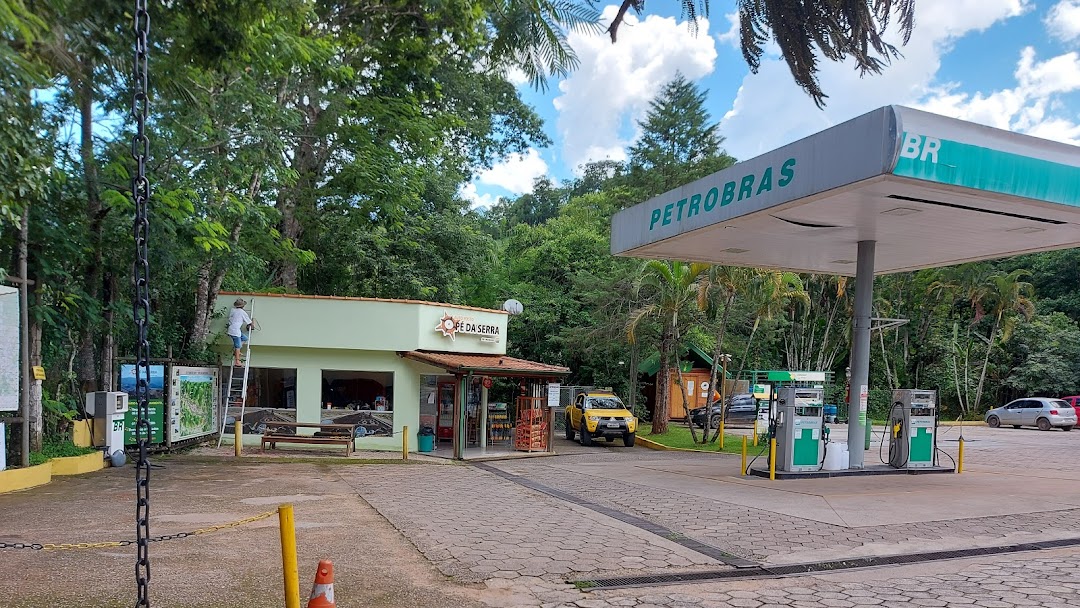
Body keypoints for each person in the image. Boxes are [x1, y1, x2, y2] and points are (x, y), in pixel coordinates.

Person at [228, 298, 253, 366]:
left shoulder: (233, 310)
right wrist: (252, 324)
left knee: (244, 338)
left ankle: (237, 352)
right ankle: (237, 361)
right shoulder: (242, 312)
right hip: (235, 331)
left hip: (232, 329)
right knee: (238, 346)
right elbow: (249, 321)